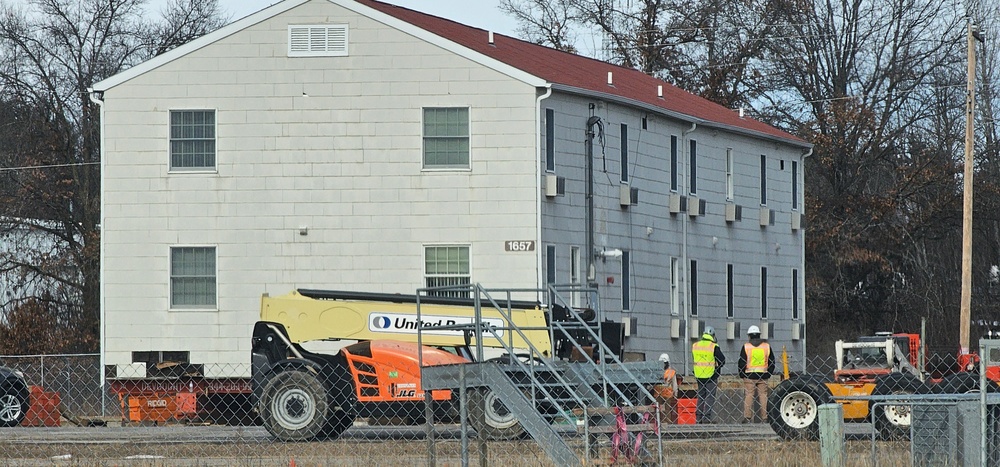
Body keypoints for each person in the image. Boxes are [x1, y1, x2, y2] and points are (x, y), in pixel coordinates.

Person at [738, 325, 774, 423]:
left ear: (749, 336)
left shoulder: (746, 346)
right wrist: (768, 373)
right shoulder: (766, 346)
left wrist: (742, 374)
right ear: (759, 335)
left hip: (749, 375)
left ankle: (747, 417)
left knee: (749, 395)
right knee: (763, 396)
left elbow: (742, 362)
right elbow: (772, 361)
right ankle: (765, 417)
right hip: (763, 375)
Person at [691, 326, 725, 423]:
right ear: (713, 335)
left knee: (701, 396)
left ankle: (698, 418)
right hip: (711, 375)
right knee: (710, 397)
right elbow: (722, 360)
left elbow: (695, 359)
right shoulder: (714, 346)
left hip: (699, 375)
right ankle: (706, 418)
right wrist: (716, 368)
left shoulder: (695, 345)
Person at [657, 353, 678, 423]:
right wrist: (675, 394)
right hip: (667, 393)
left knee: (658, 410)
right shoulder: (671, 372)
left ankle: (659, 423)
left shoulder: (657, 371)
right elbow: (675, 385)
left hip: (658, 393)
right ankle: (667, 424)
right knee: (667, 410)